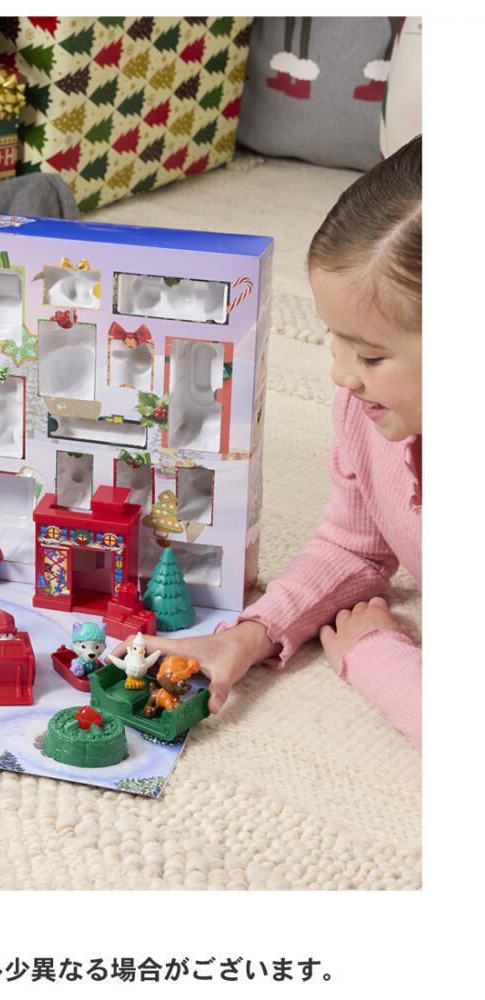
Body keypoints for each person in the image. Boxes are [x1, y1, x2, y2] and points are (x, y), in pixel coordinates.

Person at [116, 135, 422, 748]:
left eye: (369, 355)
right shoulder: (368, 414)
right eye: (334, 339)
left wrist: (373, 652)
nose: (340, 374)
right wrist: (246, 636)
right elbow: (357, 550)